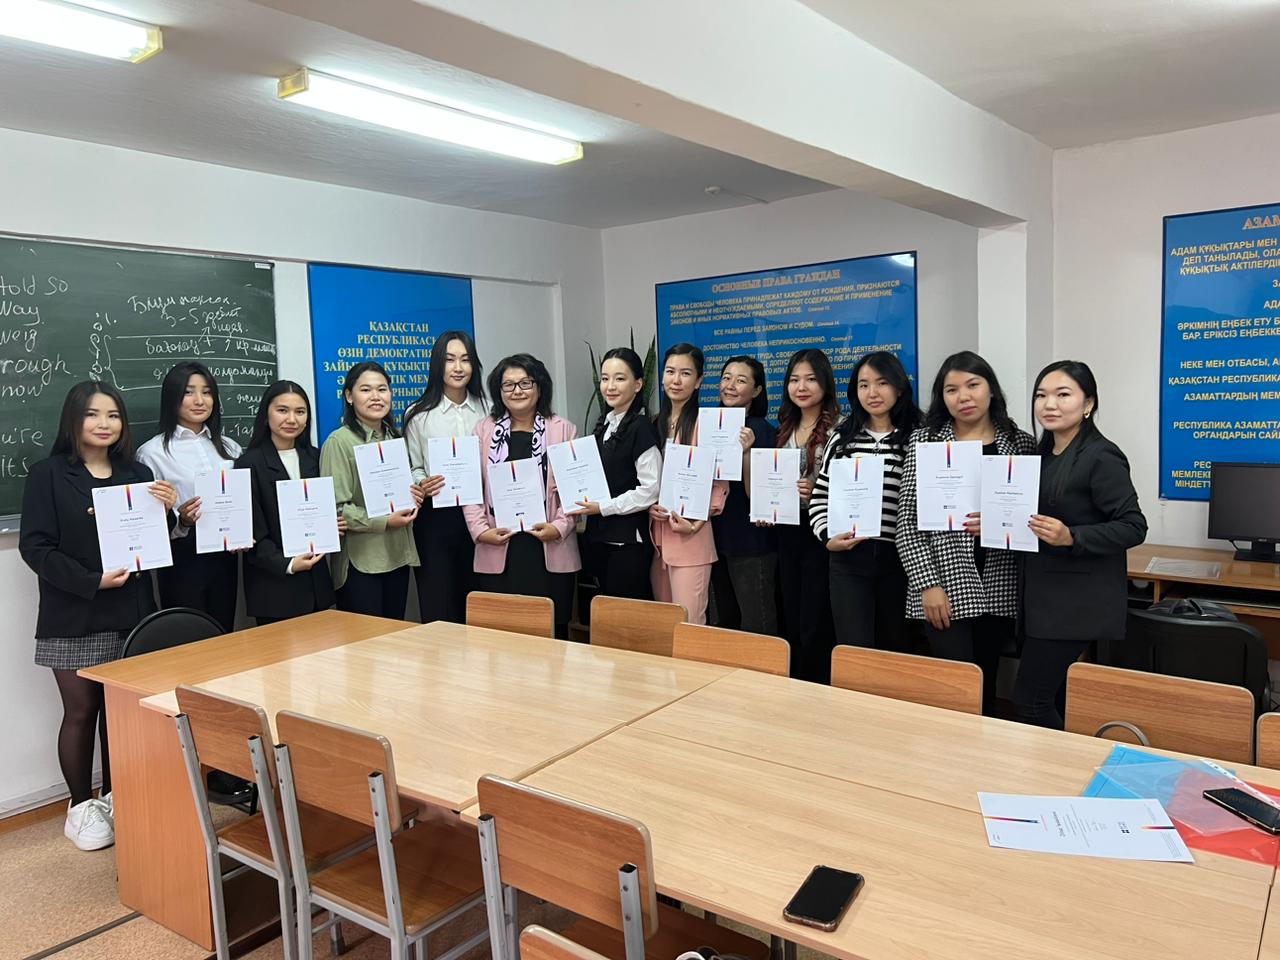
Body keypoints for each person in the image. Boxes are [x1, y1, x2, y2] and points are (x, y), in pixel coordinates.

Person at [20, 381, 178, 850]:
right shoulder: (47, 474)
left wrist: (168, 511)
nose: (104, 424)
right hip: (75, 612)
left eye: (113, 415)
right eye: (92, 414)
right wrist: (92, 580)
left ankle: (117, 795)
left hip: (132, 613)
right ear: (73, 420)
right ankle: (79, 806)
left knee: (121, 714)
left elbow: (152, 537)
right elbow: (36, 547)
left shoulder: (138, 472)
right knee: (82, 711)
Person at [896, 350, 1037, 715]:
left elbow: (1031, 516)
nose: (964, 396)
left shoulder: (1020, 443)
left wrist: (1002, 520)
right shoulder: (925, 442)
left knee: (987, 682)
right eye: (952, 389)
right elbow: (907, 524)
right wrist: (928, 585)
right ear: (942, 397)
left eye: (973, 385)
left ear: (991, 389)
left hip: (1000, 585)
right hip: (943, 585)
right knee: (954, 689)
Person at [1015, 361, 1146, 728]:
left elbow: (1133, 526)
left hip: (1072, 606)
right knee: (1052, 699)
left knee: (1029, 703)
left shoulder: (1101, 456)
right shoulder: (1041, 456)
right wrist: (994, 522)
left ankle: (1059, 764)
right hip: (1041, 599)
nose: (1049, 404)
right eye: (1041, 395)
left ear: (1088, 404)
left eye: (1063, 395)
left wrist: (1073, 536)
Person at [811, 351, 922, 651]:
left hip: (900, 560)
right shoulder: (842, 437)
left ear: (899, 387)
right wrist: (827, 537)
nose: (872, 393)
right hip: (849, 559)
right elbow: (820, 496)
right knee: (853, 647)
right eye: (863, 385)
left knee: (895, 646)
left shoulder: (918, 437)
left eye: (882, 383)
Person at [464, 354, 580, 637]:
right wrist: (480, 531)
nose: (517, 391)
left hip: (548, 546)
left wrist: (559, 527)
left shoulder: (563, 429)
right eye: (508, 385)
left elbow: (576, 490)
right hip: (498, 544)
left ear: (539, 386)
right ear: (499, 391)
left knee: (552, 635)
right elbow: (470, 487)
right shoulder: (483, 430)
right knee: (500, 637)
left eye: (525, 383)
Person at [136, 362, 242, 631]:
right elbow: (147, 521)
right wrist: (181, 519)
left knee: (223, 631)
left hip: (226, 554)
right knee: (186, 635)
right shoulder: (152, 453)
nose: (199, 400)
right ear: (172, 397)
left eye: (206, 392)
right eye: (188, 392)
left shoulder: (230, 448)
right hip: (183, 556)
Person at [320, 362, 421, 618]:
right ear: (349, 396)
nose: (376, 397)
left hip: (398, 555)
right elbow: (337, 509)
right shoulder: (339, 442)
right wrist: (385, 521)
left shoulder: (395, 438)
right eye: (365, 390)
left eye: (382, 389)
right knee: (366, 640)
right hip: (361, 561)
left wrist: (415, 496)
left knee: (395, 635)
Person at [236, 381, 339, 625]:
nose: (292, 419)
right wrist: (289, 564)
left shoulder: (316, 457)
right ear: (266, 414)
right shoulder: (248, 464)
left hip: (317, 586)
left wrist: (333, 525)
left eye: (300, 412)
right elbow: (255, 532)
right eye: (282, 410)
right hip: (274, 590)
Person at [403, 331, 487, 623]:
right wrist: (422, 482)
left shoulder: (489, 409)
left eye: (465, 359)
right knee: (438, 600)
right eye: (450, 360)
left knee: (478, 599)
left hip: (481, 514)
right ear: (437, 365)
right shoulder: (418, 414)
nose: (458, 367)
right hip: (436, 517)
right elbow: (413, 466)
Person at [772, 349, 840, 682]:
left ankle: (814, 684)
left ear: (825, 384)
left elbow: (850, 489)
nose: (801, 387)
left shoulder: (839, 429)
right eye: (795, 380)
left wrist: (818, 493)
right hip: (786, 530)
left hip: (819, 531)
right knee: (791, 611)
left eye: (811, 379)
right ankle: (794, 681)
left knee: (815, 616)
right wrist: (767, 507)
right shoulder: (785, 427)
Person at [649, 343, 727, 625]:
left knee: (690, 625)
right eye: (670, 372)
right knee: (664, 626)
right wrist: (649, 505)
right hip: (657, 541)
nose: (676, 380)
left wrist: (696, 523)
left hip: (691, 538)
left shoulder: (708, 425)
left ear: (699, 381)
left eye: (685, 373)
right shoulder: (653, 424)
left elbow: (719, 484)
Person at [575, 347, 661, 600]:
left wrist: (604, 507)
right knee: (604, 611)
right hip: (599, 538)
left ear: (638, 385)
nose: (610, 386)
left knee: (625, 615)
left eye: (620, 378)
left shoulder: (641, 427)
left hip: (628, 543)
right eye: (605, 378)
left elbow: (650, 490)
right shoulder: (605, 425)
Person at [709, 356, 778, 635]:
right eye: (726, 378)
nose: (730, 385)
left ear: (757, 390)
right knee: (722, 622)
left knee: (755, 622)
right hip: (713, 538)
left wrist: (747, 452)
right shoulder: (709, 426)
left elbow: (762, 492)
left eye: (740, 380)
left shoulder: (762, 430)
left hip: (750, 541)